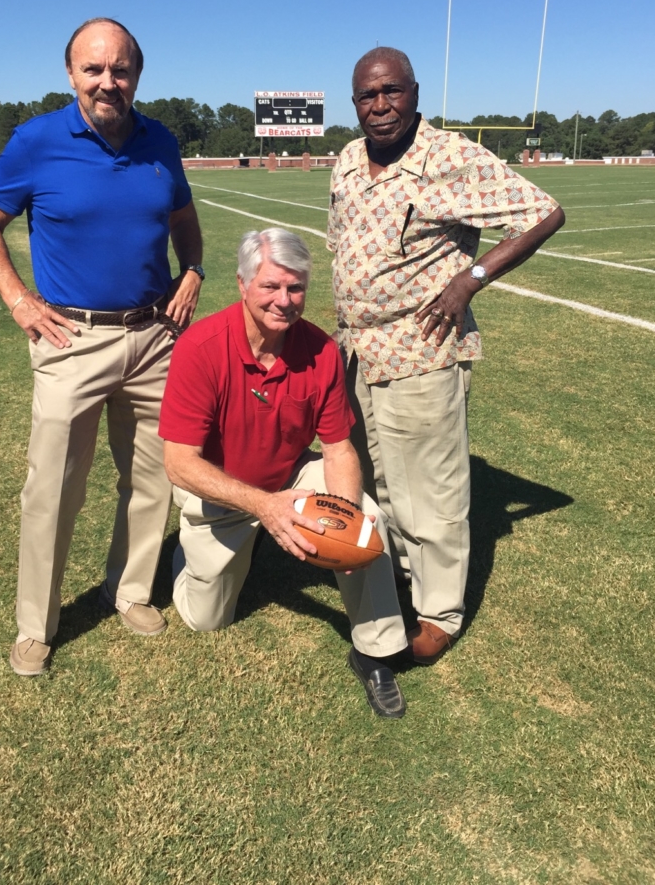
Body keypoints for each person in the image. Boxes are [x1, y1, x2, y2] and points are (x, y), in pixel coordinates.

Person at [0, 17, 204, 676]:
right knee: (52, 489)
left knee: (151, 479)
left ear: (137, 75)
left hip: (154, 336)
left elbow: (184, 220)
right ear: (71, 75)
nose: (107, 81)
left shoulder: (160, 142)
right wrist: (17, 298)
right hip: (71, 339)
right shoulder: (37, 140)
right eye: (93, 69)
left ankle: (127, 590)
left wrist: (193, 272)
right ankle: (35, 625)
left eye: (119, 69)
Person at [328, 47, 565, 664]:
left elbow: (544, 214)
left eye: (391, 92)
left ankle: (439, 614)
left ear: (414, 93)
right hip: (356, 353)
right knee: (376, 478)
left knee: (429, 490)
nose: (380, 106)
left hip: (421, 347)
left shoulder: (450, 157)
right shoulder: (350, 159)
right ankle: (404, 578)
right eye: (366, 96)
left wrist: (472, 278)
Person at [159, 228, 409, 718]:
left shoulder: (319, 350)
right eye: (271, 286)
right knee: (206, 619)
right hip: (223, 489)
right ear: (242, 284)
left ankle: (376, 652)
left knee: (368, 524)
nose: (284, 300)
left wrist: (348, 522)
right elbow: (179, 462)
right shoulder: (200, 347)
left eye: (295, 288)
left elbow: (338, 450)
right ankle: (184, 560)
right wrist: (262, 508)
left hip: (289, 477)